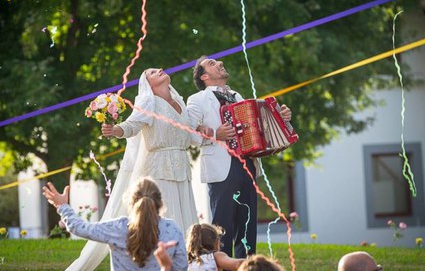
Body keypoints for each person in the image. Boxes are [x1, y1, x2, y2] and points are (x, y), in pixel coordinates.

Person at [67, 68, 204, 270]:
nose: (159, 70)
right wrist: (115, 130)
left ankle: (191, 264)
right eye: (151, 72)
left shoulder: (180, 101)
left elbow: (191, 133)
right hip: (159, 168)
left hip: (182, 169)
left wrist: (207, 131)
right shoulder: (148, 101)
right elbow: (132, 125)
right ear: (147, 83)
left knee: (186, 219)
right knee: (168, 216)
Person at [187, 56, 292, 258]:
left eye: (217, 61)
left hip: (248, 164)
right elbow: (187, 132)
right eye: (212, 63)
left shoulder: (238, 96)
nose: (219, 63)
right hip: (221, 167)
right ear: (205, 77)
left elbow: (259, 126)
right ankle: (222, 265)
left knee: (247, 223)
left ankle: (247, 264)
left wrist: (282, 117)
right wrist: (217, 134)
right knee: (222, 225)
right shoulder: (197, 99)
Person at [42, 177, 188, 270]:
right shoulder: (172, 229)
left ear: (131, 202)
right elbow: (181, 267)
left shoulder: (117, 227)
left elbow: (79, 228)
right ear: (160, 202)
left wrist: (62, 206)